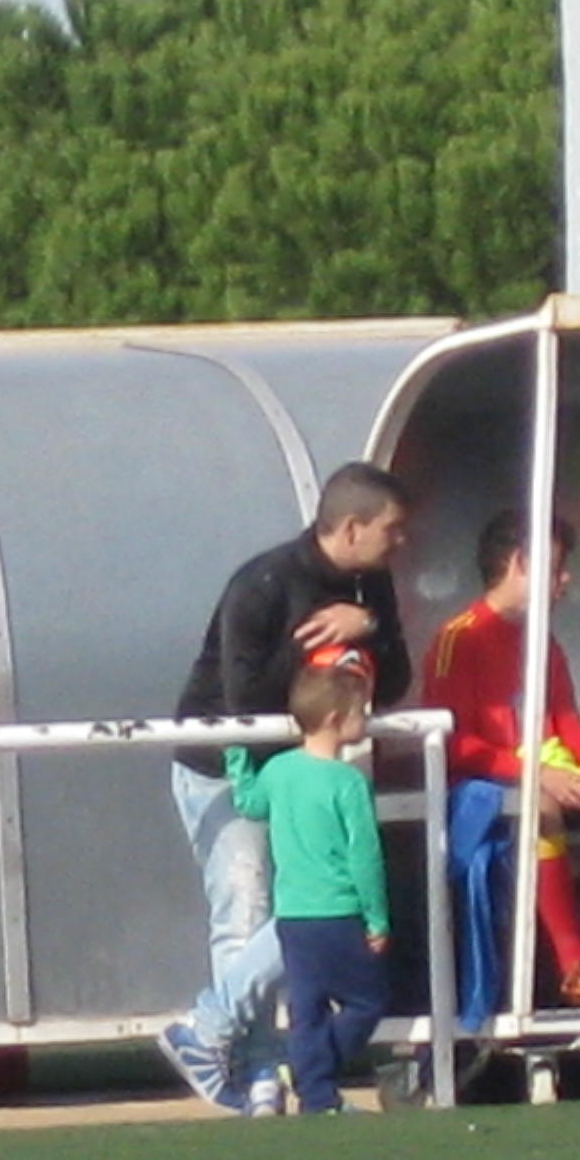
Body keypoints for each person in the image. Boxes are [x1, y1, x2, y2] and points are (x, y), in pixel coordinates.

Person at [161, 462, 412, 1114]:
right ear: (351, 527)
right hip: (229, 767)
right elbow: (245, 701)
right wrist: (315, 647)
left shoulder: (373, 586)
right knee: (246, 912)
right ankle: (252, 1067)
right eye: (392, 529)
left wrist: (368, 628)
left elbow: (394, 682)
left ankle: (216, 1037)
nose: (401, 542)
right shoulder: (263, 583)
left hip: (308, 770)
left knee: (313, 908)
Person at [424, 510, 580, 1009]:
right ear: (520, 563)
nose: (566, 580)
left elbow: (567, 721)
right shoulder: (460, 637)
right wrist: (536, 774)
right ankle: (573, 960)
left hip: (547, 775)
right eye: (555, 569)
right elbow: (454, 744)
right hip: (485, 786)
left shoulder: (544, 643)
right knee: (542, 808)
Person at [224, 660, 389, 1115]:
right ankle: (311, 1076)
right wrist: (377, 918)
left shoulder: (279, 771)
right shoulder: (348, 782)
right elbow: (365, 857)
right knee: (367, 1001)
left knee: (306, 1008)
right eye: (361, 711)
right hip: (339, 913)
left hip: (293, 917)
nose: (366, 719)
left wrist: (236, 754)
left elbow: (248, 803)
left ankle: (316, 1091)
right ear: (336, 719)